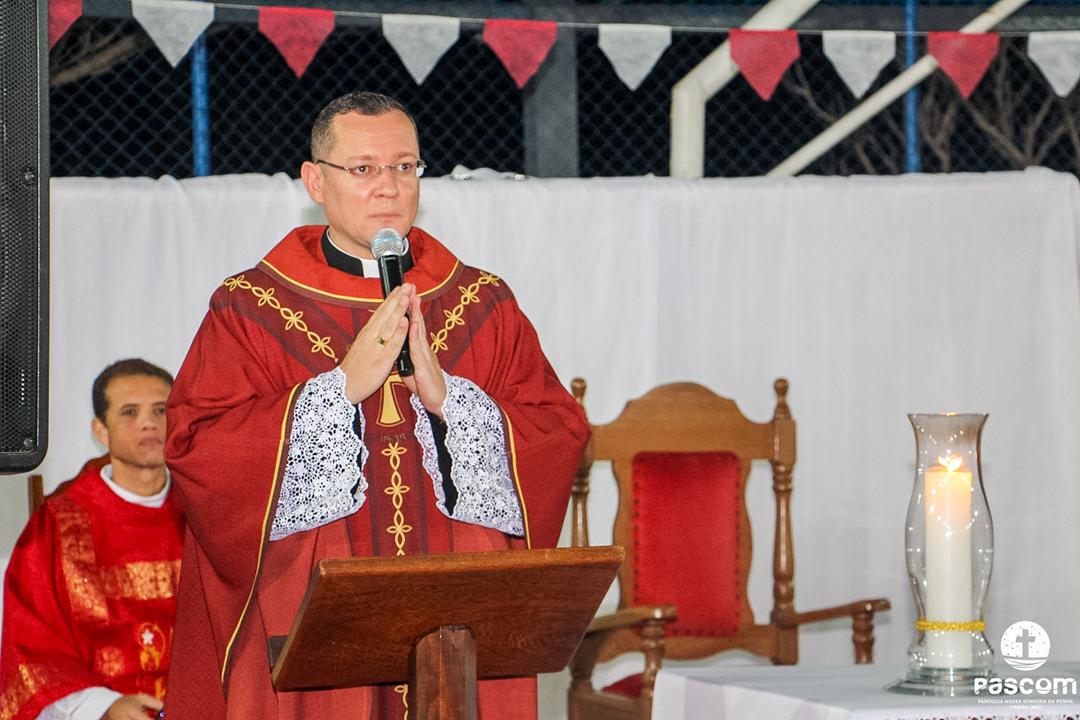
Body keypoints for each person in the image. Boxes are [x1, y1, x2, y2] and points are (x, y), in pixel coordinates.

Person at [163, 91, 588, 719]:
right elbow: (199, 446)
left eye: (404, 166)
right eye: (363, 168)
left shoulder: (481, 302)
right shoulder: (251, 308)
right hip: (314, 614)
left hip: (458, 607)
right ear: (316, 181)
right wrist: (336, 391)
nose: (388, 186)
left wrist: (452, 403)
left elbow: (557, 432)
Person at [1, 359, 183, 720]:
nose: (148, 423)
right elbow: (31, 645)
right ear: (101, 430)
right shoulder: (58, 525)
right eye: (129, 412)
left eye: (161, 410)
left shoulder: (207, 518)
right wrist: (102, 706)